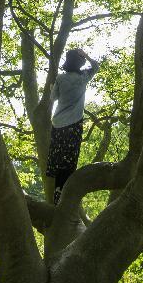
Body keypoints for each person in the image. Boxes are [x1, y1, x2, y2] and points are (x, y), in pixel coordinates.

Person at [45, 47, 100, 205]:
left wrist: (51, 87)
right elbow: (96, 66)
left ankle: (57, 192)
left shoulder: (60, 78)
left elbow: (53, 97)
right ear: (80, 62)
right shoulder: (84, 77)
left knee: (58, 158)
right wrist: (87, 55)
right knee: (69, 160)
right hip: (73, 124)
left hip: (58, 124)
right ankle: (62, 194)